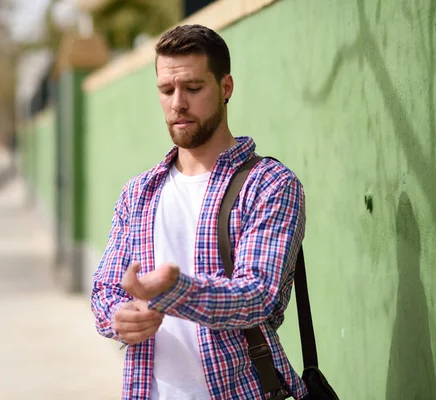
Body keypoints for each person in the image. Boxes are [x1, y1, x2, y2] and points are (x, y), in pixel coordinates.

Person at [91, 24, 308, 400]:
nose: (178, 103)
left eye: (193, 88)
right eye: (166, 90)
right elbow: (104, 290)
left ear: (226, 88)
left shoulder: (269, 184)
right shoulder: (139, 193)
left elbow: (258, 295)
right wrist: (118, 317)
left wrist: (176, 291)